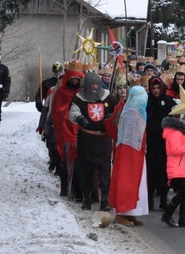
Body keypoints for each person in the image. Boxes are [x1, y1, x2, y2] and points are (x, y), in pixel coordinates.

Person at [69, 72, 118, 211]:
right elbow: (73, 112)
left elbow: (119, 110)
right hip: (87, 139)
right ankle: (87, 198)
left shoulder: (108, 97)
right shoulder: (79, 98)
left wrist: (112, 117)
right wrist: (78, 118)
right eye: (93, 84)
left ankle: (104, 200)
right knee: (86, 171)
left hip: (103, 140)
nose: (95, 87)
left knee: (105, 172)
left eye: (97, 84)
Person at [109, 85, 149, 226]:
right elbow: (130, 136)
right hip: (128, 153)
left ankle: (132, 213)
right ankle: (122, 213)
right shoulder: (131, 112)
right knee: (126, 180)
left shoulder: (137, 111)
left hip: (136, 152)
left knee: (137, 183)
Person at [49, 62, 85, 199]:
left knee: (79, 161)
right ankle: (64, 187)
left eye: (78, 79)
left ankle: (78, 190)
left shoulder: (82, 93)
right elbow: (56, 111)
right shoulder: (61, 92)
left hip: (79, 128)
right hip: (65, 129)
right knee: (66, 157)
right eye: (73, 79)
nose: (75, 81)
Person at [160, 116, 185, 228]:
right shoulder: (175, 134)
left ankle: (183, 219)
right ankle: (167, 214)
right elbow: (176, 151)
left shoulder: (180, 135)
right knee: (184, 193)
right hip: (177, 168)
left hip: (183, 168)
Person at [145, 76, 176, 211]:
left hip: (165, 142)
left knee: (165, 171)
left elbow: (176, 115)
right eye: (153, 88)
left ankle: (163, 200)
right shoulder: (146, 101)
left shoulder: (168, 100)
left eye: (158, 88)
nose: (156, 91)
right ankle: (149, 199)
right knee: (150, 170)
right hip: (150, 141)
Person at [37, 62, 63, 173]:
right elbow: (44, 103)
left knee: (58, 145)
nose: (58, 76)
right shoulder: (49, 86)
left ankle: (57, 165)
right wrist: (39, 104)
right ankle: (52, 159)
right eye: (56, 73)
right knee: (50, 143)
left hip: (63, 122)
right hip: (50, 118)